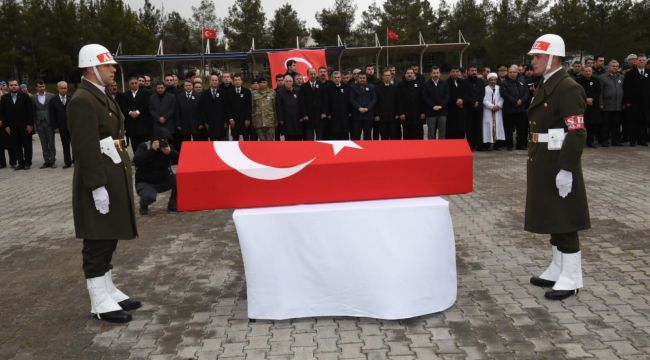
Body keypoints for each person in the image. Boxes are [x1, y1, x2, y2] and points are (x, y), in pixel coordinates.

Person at [67, 44, 140, 323]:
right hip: (99, 178)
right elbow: (85, 148)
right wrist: (97, 186)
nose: (113, 70)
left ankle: (108, 289)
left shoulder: (99, 95)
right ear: (92, 68)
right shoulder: (83, 100)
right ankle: (98, 299)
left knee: (110, 234)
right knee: (98, 237)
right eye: (108, 65)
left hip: (112, 172)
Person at [525, 34, 589, 301]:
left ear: (552, 58)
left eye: (537, 56)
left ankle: (572, 277)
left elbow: (577, 132)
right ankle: (557, 267)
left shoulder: (567, 87)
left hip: (558, 162)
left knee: (565, 218)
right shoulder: (547, 83)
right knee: (552, 215)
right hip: (543, 160)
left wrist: (566, 169)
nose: (533, 61)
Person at [133, 127, 178, 215]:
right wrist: (152, 151)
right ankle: (143, 205)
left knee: (180, 180)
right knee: (149, 197)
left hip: (163, 180)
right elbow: (137, 161)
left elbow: (183, 160)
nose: (162, 143)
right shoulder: (144, 146)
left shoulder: (167, 148)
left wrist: (170, 152)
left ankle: (173, 204)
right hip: (145, 182)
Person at [0, 79, 34, 170]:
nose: (13, 86)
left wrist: (30, 124)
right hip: (12, 127)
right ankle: (20, 163)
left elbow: (30, 111)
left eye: (15, 85)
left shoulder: (25, 96)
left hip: (25, 126)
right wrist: (6, 126)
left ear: (18, 86)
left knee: (27, 145)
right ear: (8, 86)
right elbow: (3, 113)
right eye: (11, 85)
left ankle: (27, 163)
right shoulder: (4, 98)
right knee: (16, 145)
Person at [501, 65, 531, 150]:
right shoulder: (504, 83)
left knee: (521, 128)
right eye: (510, 72)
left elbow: (527, 92)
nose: (512, 74)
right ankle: (509, 145)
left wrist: (521, 100)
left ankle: (520, 144)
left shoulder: (522, 81)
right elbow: (504, 94)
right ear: (508, 73)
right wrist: (515, 101)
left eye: (514, 72)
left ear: (517, 73)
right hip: (509, 110)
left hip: (521, 110)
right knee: (508, 129)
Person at [118, 76, 151, 151]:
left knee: (143, 142)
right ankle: (136, 159)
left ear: (138, 84)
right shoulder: (125, 95)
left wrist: (137, 112)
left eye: (136, 83)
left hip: (142, 122)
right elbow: (123, 106)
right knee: (134, 142)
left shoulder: (145, 93)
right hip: (131, 123)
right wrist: (130, 112)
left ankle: (144, 159)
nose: (134, 85)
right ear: (129, 84)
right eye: (132, 83)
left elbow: (146, 104)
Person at [622, 54, 648, 146]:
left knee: (644, 121)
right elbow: (627, 88)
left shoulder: (648, 72)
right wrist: (627, 101)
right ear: (636, 62)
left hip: (646, 102)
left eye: (643, 60)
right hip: (633, 102)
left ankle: (643, 140)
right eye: (640, 60)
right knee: (633, 121)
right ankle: (633, 140)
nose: (641, 62)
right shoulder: (630, 73)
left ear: (646, 62)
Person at [599, 60, 624, 146]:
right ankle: (604, 141)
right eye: (613, 66)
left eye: (617, 66)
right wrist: (601, 103)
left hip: (618, 105)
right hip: (607, 105)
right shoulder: (602, 77)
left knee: (616, 125)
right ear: (609, 67)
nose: (615, 67)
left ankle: (615, 140)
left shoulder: (621, 77)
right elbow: (600, 92)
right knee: (606, 124)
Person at [32, 80, 57, 168]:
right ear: (36, 88)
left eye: (43, 86)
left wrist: (55, 124)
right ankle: (46, 160)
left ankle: (53, 160)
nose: (42, 88)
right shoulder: (33, 97)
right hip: (39, 123)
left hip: (49, 122)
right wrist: (34, 124)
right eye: (40, 87)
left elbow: (54, 110)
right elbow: (33, 111)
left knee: (51, 142)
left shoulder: (51, 96)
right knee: (43, 143)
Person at [49, 81, 73, 168]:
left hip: (72, 126)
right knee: (65, 145)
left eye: (65, 88)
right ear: (58, 89)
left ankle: (76, 160)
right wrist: (55, 127)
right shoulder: (53, 100)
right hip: (61, 127)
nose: (64, 90)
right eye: (62, 88)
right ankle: (67, 162)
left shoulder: (72, 98)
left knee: (74, 144)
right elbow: (52, 115)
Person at [198, 74, 230, 141]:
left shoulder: (223, 93)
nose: (214, 82)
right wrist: (205, 122)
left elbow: (227, 108)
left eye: (216, 80)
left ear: (218, 81)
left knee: (223, 142)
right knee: (213, 143)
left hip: (221, 123)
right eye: (213, 80)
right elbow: (202, 109)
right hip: (210, 123)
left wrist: (226, 121)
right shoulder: (204, 94)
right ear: (210, 81)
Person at [396, 68, 425, 140]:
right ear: (405, 75)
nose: (409, 74)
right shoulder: (400, 85)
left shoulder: (419, 84)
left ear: (414, 75)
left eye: (411, 73)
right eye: (408, 73)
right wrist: (401, 113)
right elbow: (399, 100)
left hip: (417, 114)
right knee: (407, 133)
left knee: (418, 133)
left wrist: (423, 112)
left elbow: (423, 99)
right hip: (406, 115)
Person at [577, 66, 602, 147]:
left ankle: (590, 142)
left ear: (592, 72)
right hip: (582, 106)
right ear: (583, 72)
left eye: (589, 71)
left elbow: (598, 91)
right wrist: (586, 99)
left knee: (592, 124)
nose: (588, 72)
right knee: (584, 124)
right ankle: (582, 141)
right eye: (586, 71)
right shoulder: (578, 80)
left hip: (593, 105)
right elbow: (577, 92)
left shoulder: (596, 80)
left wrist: (592, 99)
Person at [422, 66, 449, 140]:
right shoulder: (426, 85)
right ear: (431, 74)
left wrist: (441, 106)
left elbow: (447, 97)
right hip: (431, 112)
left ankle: (441, 149)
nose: (436, 75)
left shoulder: (445, 84)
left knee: (442, 132)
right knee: (431, 133)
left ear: (440, 74)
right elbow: (425, 98)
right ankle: (431, 150)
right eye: (434, 73)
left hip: (442, 112)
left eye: (437, 73)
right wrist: (433, 106)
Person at [300, 68, 328, 140]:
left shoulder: (321, 85)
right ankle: (310, 151)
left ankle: (320, 150)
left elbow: (325, 100)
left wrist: (324, 112)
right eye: (311, 74)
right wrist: (304, 114)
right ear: (307, 75)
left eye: (314, 74)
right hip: (308, 117)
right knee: (309, 137)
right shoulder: (303, 87)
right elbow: (302, 102)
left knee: (320, 137)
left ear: (316, 74)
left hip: (319, 116)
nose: (313, 75)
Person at [275, 75, 305, 141]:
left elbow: (301, 105)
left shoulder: (297, 91)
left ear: (293, 82)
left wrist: (302, 116)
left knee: (298, 137)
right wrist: (280, 119)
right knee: (289, 138)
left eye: (290, 81)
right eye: (287, 81)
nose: (288, 82)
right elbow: (278, 106)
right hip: (286, 120)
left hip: (297, 119)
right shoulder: (279, 92)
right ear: (284, 82)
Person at [349, 73, 376, 140]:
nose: (362, 79)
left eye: (363, 78)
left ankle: (367, 150)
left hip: (368, 116)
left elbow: (374, 99)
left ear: (366, 78)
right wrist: (359, 108)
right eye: (360, 78)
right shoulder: (352, 87)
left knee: (367, 136)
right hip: (356, 116)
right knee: (356, 136)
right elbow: (351, 99)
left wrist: (368, 108)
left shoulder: (371, 87)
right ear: (357, 78)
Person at [175, 80, 202, 147]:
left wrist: (201, 123)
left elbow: (200, 112)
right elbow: (177, 111)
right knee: (186, 144)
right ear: (184, 86)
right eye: (186, 85)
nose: (188, 87)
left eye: (189, 85)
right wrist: (178, 124)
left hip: (195, 125)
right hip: (184, 125)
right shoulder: (179, 97)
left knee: (197, 144)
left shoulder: (198, 96)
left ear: (192, 86)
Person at [325, 71, 351, 140]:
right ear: (332, 78)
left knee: (344, 137)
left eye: (338, 77)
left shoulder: (346, 88)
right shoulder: (328, 88)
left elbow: (349, 101)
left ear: (341, 78)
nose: (337, 79)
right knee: (334, 137)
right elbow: (326, 102)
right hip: (333, 117)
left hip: (344, 117)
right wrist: (328, 113)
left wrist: (349, 112)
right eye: (335, 77)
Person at [482, 73, 505, 149]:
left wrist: (498, 105)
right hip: (488, 110)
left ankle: (497, 144)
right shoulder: (485, 88)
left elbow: (502, 98)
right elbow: (484, 99)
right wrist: (492, 106)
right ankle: (487, 144)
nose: (493, 81)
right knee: (488, 126)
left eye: (495, 80)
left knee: (498, 126)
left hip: (498, 110)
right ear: (488, 80)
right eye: (491, 80)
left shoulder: (499, 88)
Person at [228, 74, 253, 141]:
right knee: (235, 139)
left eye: (239, 80)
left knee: (246, 138)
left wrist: (248, 118)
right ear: (233, 82)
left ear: (241, 81)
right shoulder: (229, 92)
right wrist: (230, 119)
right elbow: (228, 107)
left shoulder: (247, 92)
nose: (237, 81)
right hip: (234, 121)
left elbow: (249, 106)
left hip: (244, 120)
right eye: (235, 80)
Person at [375, 69, 399, 140]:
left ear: (391, 76)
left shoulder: (394, 88)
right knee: (384, 137)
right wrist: (376, 114)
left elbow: (397, 101)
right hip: (382, 117)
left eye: (389, 75)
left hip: (393, 117)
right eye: (386, 75)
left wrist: (397, 113)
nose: (387, 77)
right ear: (382, 77)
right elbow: (376, 102)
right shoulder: (377, 88)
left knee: (393, 136)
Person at [251, 77, 277, 141]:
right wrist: (254, 121)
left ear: (267, 83)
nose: (262, 84)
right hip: (259, 122)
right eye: (260, 83)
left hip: (270, 122)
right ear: (258, 84)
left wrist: (276, 121)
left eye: (264, 82)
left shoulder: (272, 92)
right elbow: (253, 108)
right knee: (262, 142)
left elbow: (275, 107)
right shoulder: (254, 94)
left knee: (270, 141)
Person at [446, 66, 468, 139]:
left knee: (461, 129)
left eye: (457, 71)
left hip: (461, 109)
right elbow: (446, 95)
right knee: (451, 129)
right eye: (453, 71)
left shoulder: (463, 82)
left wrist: (462, 100)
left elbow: (466, 93)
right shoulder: (446, 83)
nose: (455, 73)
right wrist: (456, 100)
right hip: (451, 109)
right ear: (450, 73)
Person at [466, 66, 486, 149]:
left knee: (478, 126)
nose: (474, 72)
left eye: (475, 70)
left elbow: (482, 93)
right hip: (469, 108)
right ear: (468, 71)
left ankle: (479, 144)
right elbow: (465, 94)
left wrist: (478, 101)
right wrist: (472, 102)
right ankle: (470, 145)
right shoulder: (465, 82)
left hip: (479, 107)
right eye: (472, 70)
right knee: (469, 127)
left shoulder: (481, 81)